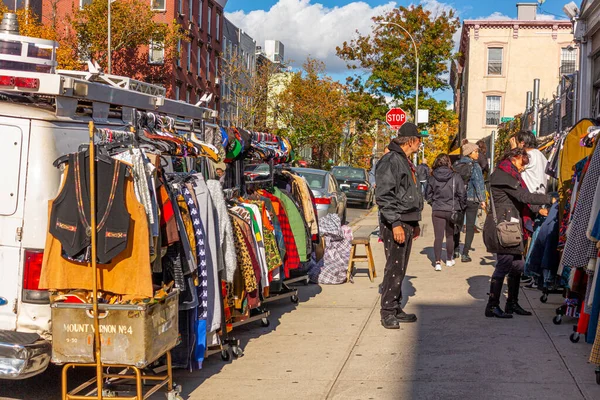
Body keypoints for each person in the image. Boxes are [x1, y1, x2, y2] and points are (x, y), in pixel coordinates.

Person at [483, 148, 555, 318]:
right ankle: (492, 305)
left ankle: (512, 303)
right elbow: (523, 196)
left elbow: (521, 198)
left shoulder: (509, 175)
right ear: (514, 158)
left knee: (517, 266)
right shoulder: (503, 176)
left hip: (511, 226)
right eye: (523, 163)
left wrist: (538, 209)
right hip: (504, 227)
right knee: (504, 265)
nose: (523, 168)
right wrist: (548, 199)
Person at [375, 123, 425, 329]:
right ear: (411, 140)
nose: (420, 144)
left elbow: (408, 192)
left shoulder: (402, 160)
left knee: (400, 267)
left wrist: (414, 222)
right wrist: (395, 223)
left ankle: (395, 307)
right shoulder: (391, 160)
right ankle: (387, 311)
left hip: (405, 219)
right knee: (394, 267)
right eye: (419, 140)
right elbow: (384, 195)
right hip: (396, 221)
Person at [426, 154, 466, 271]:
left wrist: (433, 204)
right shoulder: (455, 176)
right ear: (448, 162)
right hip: (451, 209)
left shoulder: (432, 177)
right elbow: (462, 193)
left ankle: (437, 262)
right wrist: (461, 206)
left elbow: (428, 195)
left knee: (438, 237)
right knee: (450, 236)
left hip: (437, 209)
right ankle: (449, 259)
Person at [453, 142, 486, 263]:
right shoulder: (475, 166)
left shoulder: (456, 164)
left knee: (458, 224)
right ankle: (465, 254)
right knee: (470, 226)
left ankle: (455, 250)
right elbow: (479, 184)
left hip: (459, 199)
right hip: (472, 199)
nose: (478, 154)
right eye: (475, 151)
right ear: (469, 153)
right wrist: (482, 200)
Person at [512, 130, 549, 195]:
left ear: (522, 143)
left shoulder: (527, 156)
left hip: (530, 195)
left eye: (517, 143)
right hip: (541, 194)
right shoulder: (540, 154)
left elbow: (511, 167)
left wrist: (513, 148)